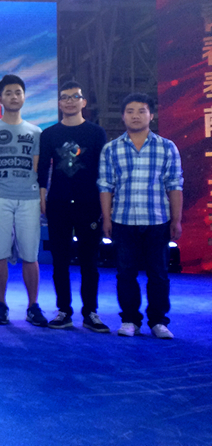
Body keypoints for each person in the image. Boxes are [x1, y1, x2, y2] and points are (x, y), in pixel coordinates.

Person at [98, 93, 183, 339]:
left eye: (142, 111)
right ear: (123, 116)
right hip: (123, 220)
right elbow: (105, 186)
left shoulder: (167, 147)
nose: (136, 116)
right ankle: (130, 320)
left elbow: (175, 184)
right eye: (130, 111)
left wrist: (176, 219)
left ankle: (158, 321)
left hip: (157, 220)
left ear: (151, 115)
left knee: (159, 274)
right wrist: (106, 218)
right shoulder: (111, 149)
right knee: (125, 273)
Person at [37, 81, 110, 332]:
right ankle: (63, 311)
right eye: (65, 97)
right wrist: (42, 197)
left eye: (75, 97)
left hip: (88, 203)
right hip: (57, 203)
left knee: (90, 261)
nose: (70, 101)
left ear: (83, 102)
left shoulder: (96, 133)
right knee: (60, 260)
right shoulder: (49, 134)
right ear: (59, 103)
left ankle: (90, 313)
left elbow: (103, 171)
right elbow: (42, 169)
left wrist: (104, 205)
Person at [0, 74, 47, 327]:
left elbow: (38, 169)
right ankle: (1, 305)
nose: (14, 97)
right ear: (0, 98)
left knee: (30, 255)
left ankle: (33, 306)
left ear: (24, 97)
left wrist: (41, 197)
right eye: (8, 93)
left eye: (18, 92)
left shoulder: (36, 132)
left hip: (29, 199)